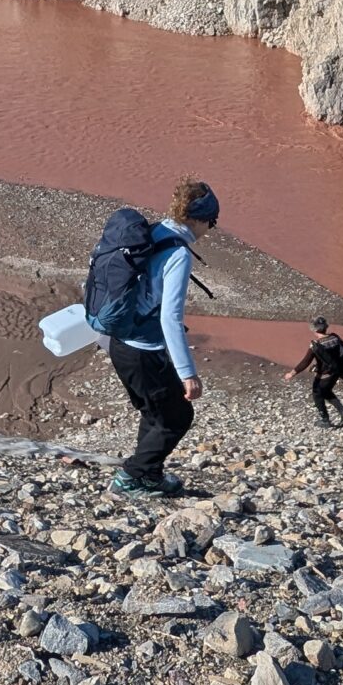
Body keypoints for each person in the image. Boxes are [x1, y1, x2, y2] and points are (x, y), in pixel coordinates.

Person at [107, 179, 220, 496]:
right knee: (177, 417)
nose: (209, 229)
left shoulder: (154, 231)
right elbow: (171, 318)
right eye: (211, 222)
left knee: (156, 413)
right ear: (197, 218)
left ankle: (150, 476)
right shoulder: (179, 255)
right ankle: (131, 477)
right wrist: (188, 373)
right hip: (143, 351)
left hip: (121, 343)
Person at [287, 317, 343, 426]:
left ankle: (325, 420)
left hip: (324, 375)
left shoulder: (316, 345)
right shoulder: (335, 338)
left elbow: (305, 362)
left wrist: (292, 373)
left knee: (317, 394)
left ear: (315, 330)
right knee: (326, 391)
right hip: (336, 372)